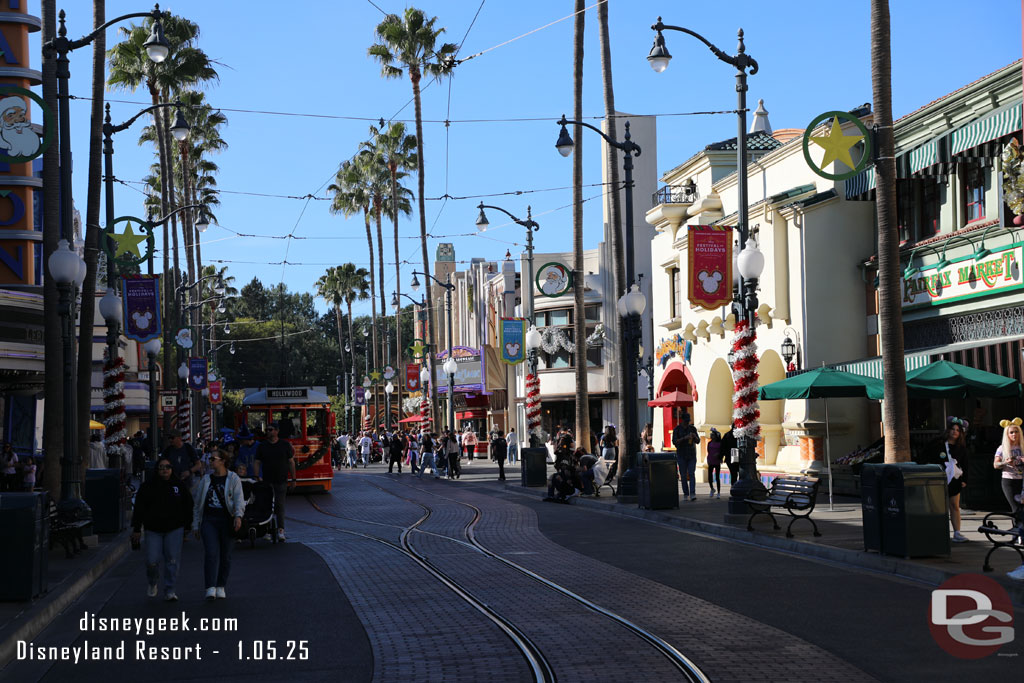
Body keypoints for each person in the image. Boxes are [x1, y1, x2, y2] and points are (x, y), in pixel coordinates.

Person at [131, 456, 192, 602]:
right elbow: (139, 508)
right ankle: (153, 582)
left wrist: (188, 525)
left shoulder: (179, 486)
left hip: (174, 528)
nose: (164, 470)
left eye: (167, 467)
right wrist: (137, 528)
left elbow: (188, 505)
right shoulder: (148, 486)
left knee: (172, 560)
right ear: (157, 470)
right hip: (153, 529)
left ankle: (170, 590)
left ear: (172, 469)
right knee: (151, 560)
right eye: (161, 467)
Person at [192, 450, 245, 601]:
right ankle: (210, 587)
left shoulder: (233, 478)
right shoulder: (206, 479)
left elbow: (239, 499)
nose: (210, 461)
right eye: (209, 458)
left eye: (213, 458)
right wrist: (196, 524)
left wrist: (238, 516)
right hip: (209, 520)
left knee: (226, 555)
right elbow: (197, 504)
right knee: (211, 553)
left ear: (222, 460)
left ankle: (221, 585)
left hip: (227, 520)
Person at [920, 417, 969, 543]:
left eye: (958, 430)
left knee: (954, 505)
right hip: (938, 477)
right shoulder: (938, 443)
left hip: (955, 478)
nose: (955, 432)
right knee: (937, 506)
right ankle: (936, 532)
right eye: (952, 429)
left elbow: (965, 464)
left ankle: (957, 532)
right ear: (948, 430)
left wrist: (965, 479)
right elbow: (925, 455)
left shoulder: (961, 447)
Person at [254, 423, 296, 542]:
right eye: (266, 430)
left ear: (277, 431)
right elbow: (257, 461)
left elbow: (291, 462)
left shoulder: (284, 445)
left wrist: (293, 479)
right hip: (267, 481)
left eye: (270, 430)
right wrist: (257, 476)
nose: (268, 432)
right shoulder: (262, 446)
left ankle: (281, 530)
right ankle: (266, 530)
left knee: (280, 506)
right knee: (266, 505)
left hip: (281, 480)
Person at [993, 417, 1024, 515]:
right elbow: (995, 464)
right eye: (1011, 432)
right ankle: (1017, 529)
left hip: (1022, 481)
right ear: (1007, 434)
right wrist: (1005, 462)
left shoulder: (1023, 447)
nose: (1014, 434)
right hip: (1009, 480)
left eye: (1016, 431)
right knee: (1016, 508)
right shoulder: (1002, 448)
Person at [672, 412, 699, 501]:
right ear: (682, 420)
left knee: (691, 473)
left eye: (688, 421)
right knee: (683, 475)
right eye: (686, 421)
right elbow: (675, 442)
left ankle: (692, 493)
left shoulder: (692, 428)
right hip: (681, 454)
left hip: (691, 454)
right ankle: (685, 493)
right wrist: (684, 438)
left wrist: (694, 437)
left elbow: (698, 441)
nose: (687, 423)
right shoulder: (677, 429)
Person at [706, 428, 724, 499]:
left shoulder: (720, 444)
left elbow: (721, 452)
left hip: (717, 461)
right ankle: (712, 488)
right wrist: (708, 459)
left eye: (713, 435)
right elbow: (709, 452)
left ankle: (719, 492)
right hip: (710, 461)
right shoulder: (709, 443)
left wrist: (719, 456)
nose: (711, 436)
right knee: (709, 477)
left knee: (717, 477)